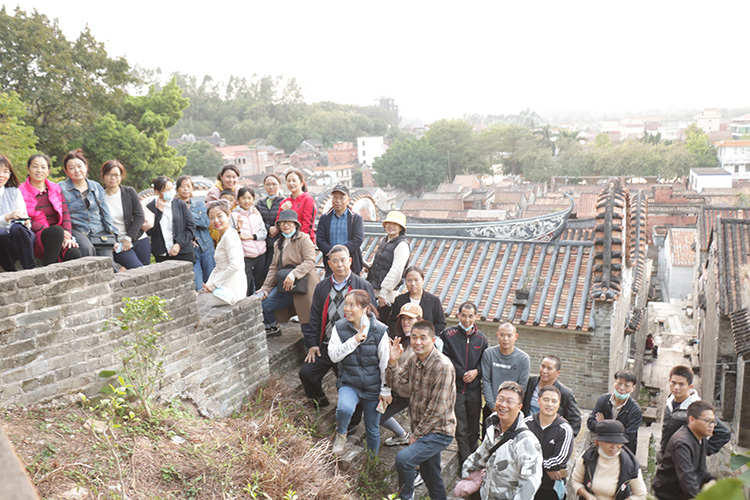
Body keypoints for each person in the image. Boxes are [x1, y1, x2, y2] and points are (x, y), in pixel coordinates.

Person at [386, 320, 456, 500]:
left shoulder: (443, 366)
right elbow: (397, 384)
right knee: (431, 476)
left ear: (432, 340)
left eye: (423, 338)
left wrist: (416, 435)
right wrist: (393, 362)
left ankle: (406, 497)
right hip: (423, 428)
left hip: (439, 431)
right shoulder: (414, 359)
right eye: (414, 337)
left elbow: (437, 408)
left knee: (404, 459)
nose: (418, 342)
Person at [300, 245, 375, 408]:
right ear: (329, 264)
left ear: (350, 261)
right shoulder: (322, 287)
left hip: (352, 346)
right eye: (335, 261)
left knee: (351, 384)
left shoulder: (362, 286)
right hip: (326, 344)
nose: (340, 264)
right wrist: (312, 344)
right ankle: (319, 401)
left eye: (343, 260)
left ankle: (352, 417)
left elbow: (372, 318)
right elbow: (315, 317)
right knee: (307, 373)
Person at [328, 290, 391, 456]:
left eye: (352, 305)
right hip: (350, 382)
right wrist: (355, 340)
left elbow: (385, 363)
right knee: (344, 409)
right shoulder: (339, 327)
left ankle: (371, 462)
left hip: (374, 387)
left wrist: (385, 390)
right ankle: (341, 434)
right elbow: (333, 356)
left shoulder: (379, 330)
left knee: (372, 428)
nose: (347, 309)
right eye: (346, 305)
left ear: (365, 309)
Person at [462, 381, 543, 500]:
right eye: (500, 399)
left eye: (509, 401)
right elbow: (479, 456)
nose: (503, 405)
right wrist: (466, 476)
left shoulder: (527, 442)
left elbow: (528, 486)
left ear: (519, 407)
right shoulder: (493, 429)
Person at [256, 210, 320, 338]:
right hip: (285, 285)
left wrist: (293, 274)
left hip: (304, 284)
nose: (286, 225)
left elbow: (310, 261)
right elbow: (274, 267)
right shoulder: (277, 243)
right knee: (264, 304)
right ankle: (272, 327)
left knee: (307, 324)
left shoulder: (304, 239)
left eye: (290, 222)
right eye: (283, 222)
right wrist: (265, 288)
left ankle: (312, 345)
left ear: (295, 224)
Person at [441, 302, 488, 468]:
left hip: (474, 390)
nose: (467, 319)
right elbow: (445, 358)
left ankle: (474, 460)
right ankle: (465, 464)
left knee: (474, 428)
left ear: (476, 317)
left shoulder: (481, 339)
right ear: (458, 315)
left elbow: (485, 362)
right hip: (457, 388)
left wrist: (476, 371)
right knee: (461, 428)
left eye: (470, 316)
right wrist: (462, 373)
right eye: (464, 315)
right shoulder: (448, 335)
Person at [19, 154, 82, 265]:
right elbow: (24, 219)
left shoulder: (55, 188)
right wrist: (58, 233)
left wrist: (67, 235)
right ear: (28, 169)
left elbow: (65, 213)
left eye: (43, 167)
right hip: (36, 235)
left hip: (59, 233)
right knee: (56, 231)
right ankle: (49, 268)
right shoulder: (20, 191)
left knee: (73, 253)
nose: (39, 170)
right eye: (35, 167)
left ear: (48, 171)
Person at [58, 149, 118, 264]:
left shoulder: (96, 186)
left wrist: (113, 234)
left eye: (79, 166)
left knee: (108, 262)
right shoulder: (60, 188)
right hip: (77, 230)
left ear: (86, 167)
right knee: (87, 249)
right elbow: (60, 214)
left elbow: (105, 212)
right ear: (66, 171)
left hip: (98, 229)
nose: (77, 170)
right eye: (71, 168)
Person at [659, 365, 730, 458]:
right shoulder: (670, 400)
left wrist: (699, 452)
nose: (676, 387)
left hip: (684, 461)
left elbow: (723, 432)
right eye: (673, 382)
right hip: (666, 458)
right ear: (669, 381)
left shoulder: (697, 408)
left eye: (681, 384)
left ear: (690, 386)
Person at [653, 401, 718, 500]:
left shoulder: (701, 437)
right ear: (691, 420)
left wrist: (712, 480)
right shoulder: (682, 443)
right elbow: (686, 478)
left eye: (713, 421)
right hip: (670, 495)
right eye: (707, 421)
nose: (711, 425)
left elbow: (701, 470)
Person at [571, 420, 648, 500]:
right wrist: (588, 496)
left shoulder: (630, 464)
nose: (614, 446)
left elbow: (640, 494)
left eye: (618, 442)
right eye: (609, 442)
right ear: (597, 442)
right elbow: (576, 481)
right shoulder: (587, 457)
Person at [525, 385, 574, 500]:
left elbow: (559, 460)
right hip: (526, 483)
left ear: (559, 404)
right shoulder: (526, 424)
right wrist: (547, 468)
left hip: (550, 487)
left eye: (554, 401)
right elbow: (518, 455)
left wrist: (530, 463)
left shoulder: (564, 429)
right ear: (538, 400)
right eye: (546, 400)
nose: (549, 404)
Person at [481, 322, 530, 433]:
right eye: (502, 335)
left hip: (511, 410)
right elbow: (486, 380)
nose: (505, 339)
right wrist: (493, 406)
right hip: (491, 407)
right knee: (488, 438)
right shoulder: (489, 354)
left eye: (509, 335)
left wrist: (509, 405)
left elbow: (522, 386)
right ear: (498, 335)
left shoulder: (523, 359)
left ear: (515, 337)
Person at [101, 160, 149, 270]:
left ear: (121, 177)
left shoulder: (129, 192)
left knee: (147, 273)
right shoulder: (99, 197)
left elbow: (140, 216)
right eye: (109, 174)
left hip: (138, 239)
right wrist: (111, 242)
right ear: (103, 176)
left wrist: (128, 238)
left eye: (116, 175)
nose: (113, 178)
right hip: (119, 245)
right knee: (138, 270)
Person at [367, 210, 410, 321]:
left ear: (401, 228)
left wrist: (383, 293)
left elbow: (396, 271)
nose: (391, 226)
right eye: (389, 223)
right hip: (374, 291)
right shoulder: (384, 240)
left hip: (386, 297)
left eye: (395, 224)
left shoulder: (402, 245)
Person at [201, 200, 246, 306]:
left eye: (219, 216)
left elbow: (235, 266)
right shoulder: (224, 236)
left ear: (228, 216)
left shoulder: (229, 236)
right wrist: (209, 284)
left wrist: (215, 285)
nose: (216, 221)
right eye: (211, 217)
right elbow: (219, 267)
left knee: (197, 303)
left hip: (231, 290)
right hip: (223, 286)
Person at [587, 369, 642, 454]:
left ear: (633, 388)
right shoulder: (603, 399)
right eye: (619, 383)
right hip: (600, 447)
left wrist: (603, 424)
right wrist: (616, 432)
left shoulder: (635, 410)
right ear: (614, 382)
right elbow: (590, 422)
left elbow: (628, 436)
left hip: (622, 451)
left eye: (627, 386)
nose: (622, 388)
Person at [523, 356, 581, 436]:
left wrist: (562, 437)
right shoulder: (529, 382)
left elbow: (575, 420)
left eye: (549, 369)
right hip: (527, 430)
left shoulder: (565, 393)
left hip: (549, 435)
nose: (544, 371)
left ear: (558, 373)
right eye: (543, 366)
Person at [176, 175, 215, 291]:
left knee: (212, 282)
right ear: (177, 189)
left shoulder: (199, 205)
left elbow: (205, 222)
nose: (185, 189)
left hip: (205, 246)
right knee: (197, 286)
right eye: (182, 186)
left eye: (188, 186)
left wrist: (187, 214)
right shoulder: (174, 207)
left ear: (192, 188)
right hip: (189, 250)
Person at [316, 184, 364, 276]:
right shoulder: (325, 218)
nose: (338, 201)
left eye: (342, 198)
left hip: (351, 264)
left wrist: (342, 254)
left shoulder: (355, 218)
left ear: (348, 200)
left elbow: (358, 239)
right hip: (331, 263)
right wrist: (332, 253)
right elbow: (320, 239)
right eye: (335, 197)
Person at [146, 176, 195, 263]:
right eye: (167, 190)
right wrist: (159, 212)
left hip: (183, 252)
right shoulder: (151, 207)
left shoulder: (180, 205)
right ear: (157, 192)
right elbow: (149, 231)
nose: (171, 192)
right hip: (162, 255)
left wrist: (179, 244)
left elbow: (191, 227)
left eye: (171, 188)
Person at [0, 155, 35, 271]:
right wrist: (7, 217)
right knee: (1, 234)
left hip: (19, 237)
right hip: (2, 240)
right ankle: (11, 271)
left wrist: (25, 221)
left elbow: (24, 217)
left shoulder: (14, 191)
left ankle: (30, 269)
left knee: (18, 228)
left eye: (5, 171)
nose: (1, 175)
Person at [389, 265, 446, 335]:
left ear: (423, 280)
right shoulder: (399, 300)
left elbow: (441, 323)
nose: (413, 284)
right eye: (409, 280)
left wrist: (428, 335)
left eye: (416, 280)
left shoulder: (433, 300)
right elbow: (393, 322)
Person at [233, 187, 266, 295]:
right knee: (245, 283)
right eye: (243, 198)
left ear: (253, 199)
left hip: (261, 253)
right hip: (245, 255)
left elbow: (264, 233)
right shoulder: (234, 216)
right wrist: (238, 231)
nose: (246, 201)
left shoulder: (257, 214)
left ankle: (261, 303)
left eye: (249, 198)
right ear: (238, 199)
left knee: (260, 281)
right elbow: (232, 235)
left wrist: (250, 237)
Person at [255, 173, 283, 285]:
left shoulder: (284, 202)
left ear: (279, 185)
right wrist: (269, 229)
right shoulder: (259, 204)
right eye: (268, 184)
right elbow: (256, 221)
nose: (271, 187)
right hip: (263, 243)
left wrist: (277, 228)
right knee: (261, 273)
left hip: (279, 242)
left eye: (274, 184)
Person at [278, 169, 317, 243]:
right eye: (288, 181)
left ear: (301, 182)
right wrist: (282, 210)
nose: (291, 183)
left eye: (294, 180)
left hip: (303, 241)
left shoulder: (307, 199)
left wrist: (301, 241)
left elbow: (307, 224)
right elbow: (279, 223)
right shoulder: (284, 202)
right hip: (287, 241)